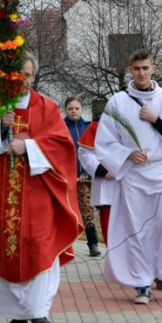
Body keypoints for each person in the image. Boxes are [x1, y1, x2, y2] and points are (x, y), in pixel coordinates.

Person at [0, 54, 83, 323]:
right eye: (15, 75)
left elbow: (62, 146)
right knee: (0, 246)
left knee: (38, 247)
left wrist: (30, 148)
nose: (21, 80)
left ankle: (38, 313)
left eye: (26, 75)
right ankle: (15, 312)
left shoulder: (46, 107)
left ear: (33, 77)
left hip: (38, 193)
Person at [95, 50, 162, 305]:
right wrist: (127, 154)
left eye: (145, 68)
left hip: (160, 170)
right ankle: (141, 283)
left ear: (154, 68)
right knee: (138, 229)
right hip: (134, 175)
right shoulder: (117, 102)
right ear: (130, 70)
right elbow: (104, 141)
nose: (141, 73)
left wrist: (156, 119)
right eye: (136, 68)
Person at [64, 97, 99, 256]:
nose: (74, 111)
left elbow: (93, 152)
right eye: (70, 109)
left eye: (76, 108)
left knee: (87, 210)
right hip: (65, 179)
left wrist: (86, 172)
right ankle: (64, 246)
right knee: (65, 211)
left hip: (85, 179)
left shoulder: (89, 127)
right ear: (65, 110)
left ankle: (93, 244)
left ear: (82, 109)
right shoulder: (60, 127)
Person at [77, 108, 117, 246]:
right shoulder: (100, 122)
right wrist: (102, 170)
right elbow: (84, 152)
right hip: (108, 186)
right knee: (111, 234)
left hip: (134, 185)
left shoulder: (142, 120)